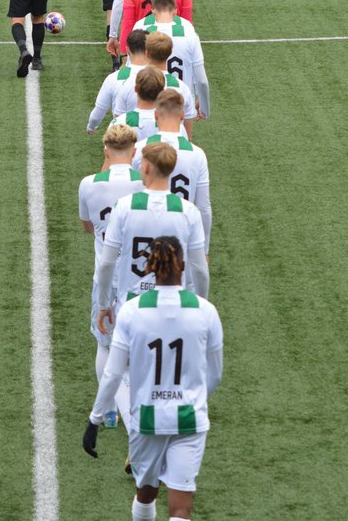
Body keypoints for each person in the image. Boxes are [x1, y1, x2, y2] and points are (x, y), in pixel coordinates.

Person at [83, 236, 223, 521]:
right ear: (182, 266)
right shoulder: (206, 311)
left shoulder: (132, 312)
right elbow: (215, 374)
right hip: (188, 418)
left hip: (146, 418)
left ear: (149, 267)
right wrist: (193, 400)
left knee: (146, 494)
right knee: (181, 509)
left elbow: (112, 372)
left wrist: (96, 418)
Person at [93, 142, 208, 337]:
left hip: (131, 305)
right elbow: (200, 270)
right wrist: (200, 305)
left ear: (146, 167)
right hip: (173, 309)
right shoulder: (189, 212)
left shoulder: (124, 206)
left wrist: (104, 303)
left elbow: (107, 263)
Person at [78, 124, 144, 429]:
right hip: (139, 276)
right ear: (133, 151)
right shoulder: (144, 183)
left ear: (106, 150)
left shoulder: (89, 184)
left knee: (104, 345)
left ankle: (107, 411)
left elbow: (87, 226)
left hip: (105, 273)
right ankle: (135, 404)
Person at [132, 90, 213, 251]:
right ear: (182, 116)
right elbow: (203, 206)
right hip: (183, 232)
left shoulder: (140, 149)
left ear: (156, 116)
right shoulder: (197, 154)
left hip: (146, 232)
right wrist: (204, 249)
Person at [139, 0, 209, 119]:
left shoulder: (142, 30)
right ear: (175, 11)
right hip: (182, 102)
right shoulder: (189, 33)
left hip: (151, 102)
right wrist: (204, 108)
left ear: (153, 10)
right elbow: (202, 80)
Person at [115, 33, 198, 137]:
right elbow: (187, 137)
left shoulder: (128, 83)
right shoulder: (183, 88)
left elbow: (118, 127)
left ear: (147, 53)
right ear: (170, 52)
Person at [88, 29, 149, 135]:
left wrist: (91, 127)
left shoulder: (114, 78)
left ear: (127, 50)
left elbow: (98, 113)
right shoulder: (161, 77)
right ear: (150, 50)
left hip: (123, 140)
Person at [109, 67, 171, 141]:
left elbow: (110, 151)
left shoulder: (119, 123)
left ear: (135, 89)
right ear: (163, 91)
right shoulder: (174, 124)